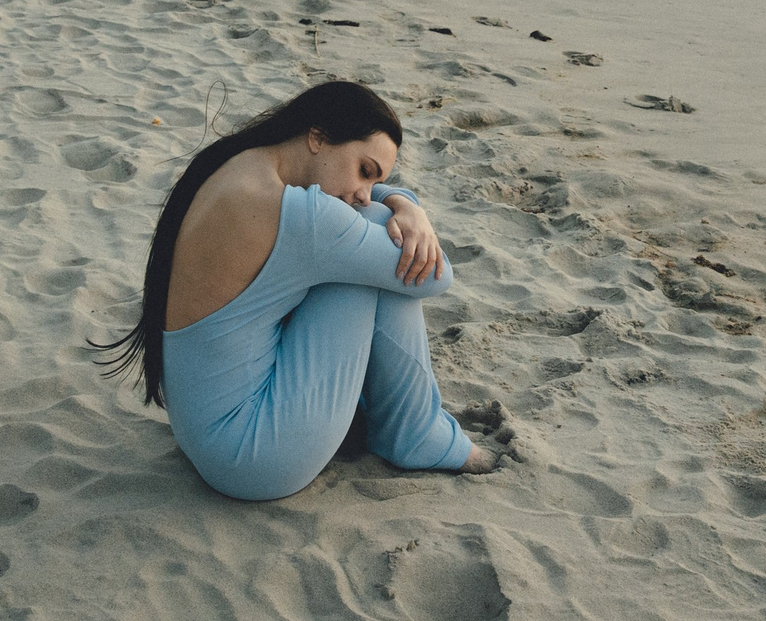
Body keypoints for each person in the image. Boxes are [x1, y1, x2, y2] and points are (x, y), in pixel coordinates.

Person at [95, 81, 494, 500]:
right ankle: (414, 432)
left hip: (202, 433)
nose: (362, 190)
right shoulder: (304, 219)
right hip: (253, 459)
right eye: (365, 170)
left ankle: (406, 426)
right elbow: (435, 275)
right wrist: (405, 206)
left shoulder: (240, 166)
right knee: (380, 229)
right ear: (317, 137)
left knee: (369, 227)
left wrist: (397, 198)